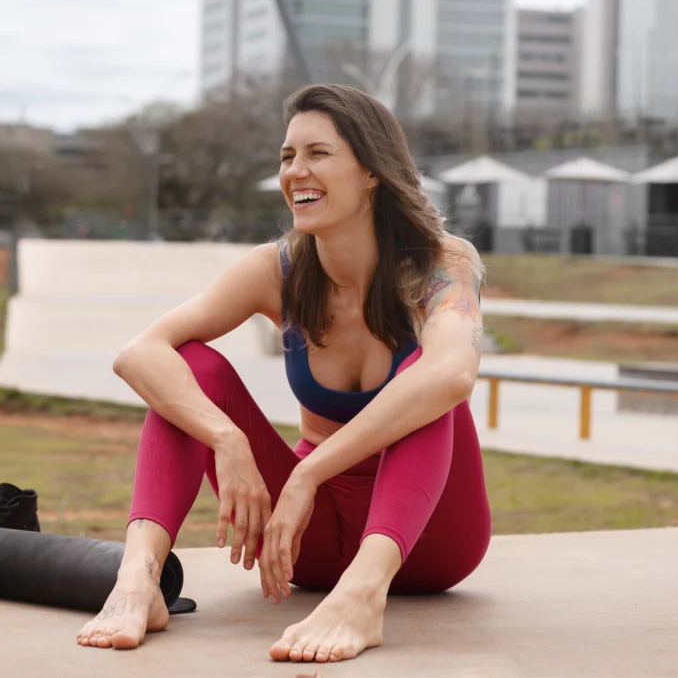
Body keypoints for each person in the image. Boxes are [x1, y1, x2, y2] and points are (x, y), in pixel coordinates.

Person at [76, 83, 491, 664]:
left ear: (373, 169)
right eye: (286, 156)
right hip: (306, 545)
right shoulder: (277, 270)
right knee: (188, 364)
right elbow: (139, 354)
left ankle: (364, 596)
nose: (296, 171)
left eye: (318, 153)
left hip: (429, 541)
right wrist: (227, 439)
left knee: (426, 377)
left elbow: (452, 375)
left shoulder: (441, 264)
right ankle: (139, 579)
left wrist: (306, 474)